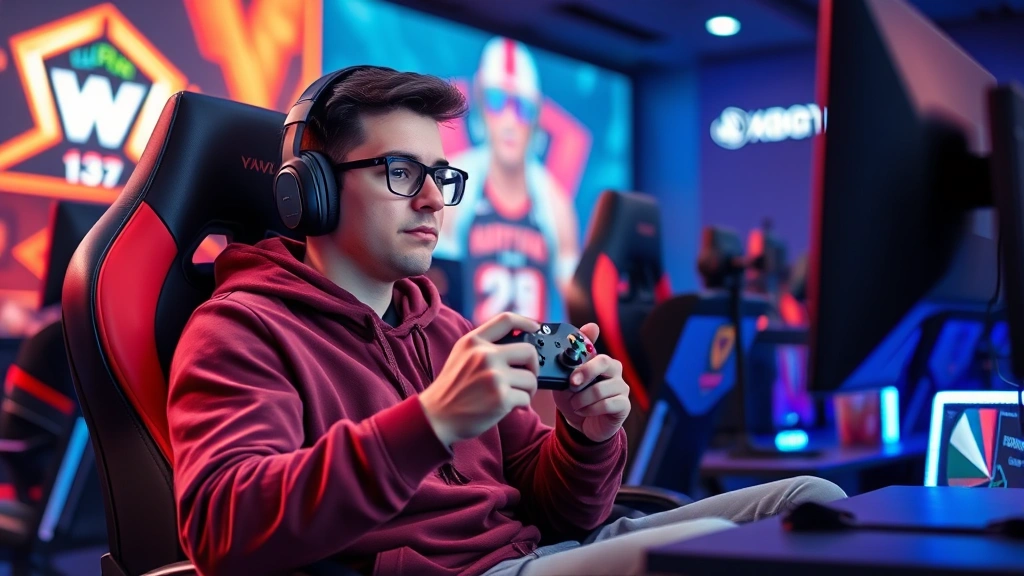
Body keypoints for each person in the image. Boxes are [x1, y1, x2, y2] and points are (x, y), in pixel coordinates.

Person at [167, 66, 846, 576]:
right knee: (706, 557)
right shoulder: (240, 329)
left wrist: (585, 436)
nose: (434, 199)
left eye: (442, 174)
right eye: (402, 172)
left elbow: (566, 516)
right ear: (308, 189)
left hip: (543, 555)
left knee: (812, 500)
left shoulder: (448, 331)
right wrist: (429, 424)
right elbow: (220, 528)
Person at [434, 37, 579, 325]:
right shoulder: (455, 183)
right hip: (470, 361)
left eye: (522, 107)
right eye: (498, 101)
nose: (511, 121)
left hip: (534, 365)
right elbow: (432, 295)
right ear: (481, 107)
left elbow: (579, 310)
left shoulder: (555, 205)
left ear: (537, 115)